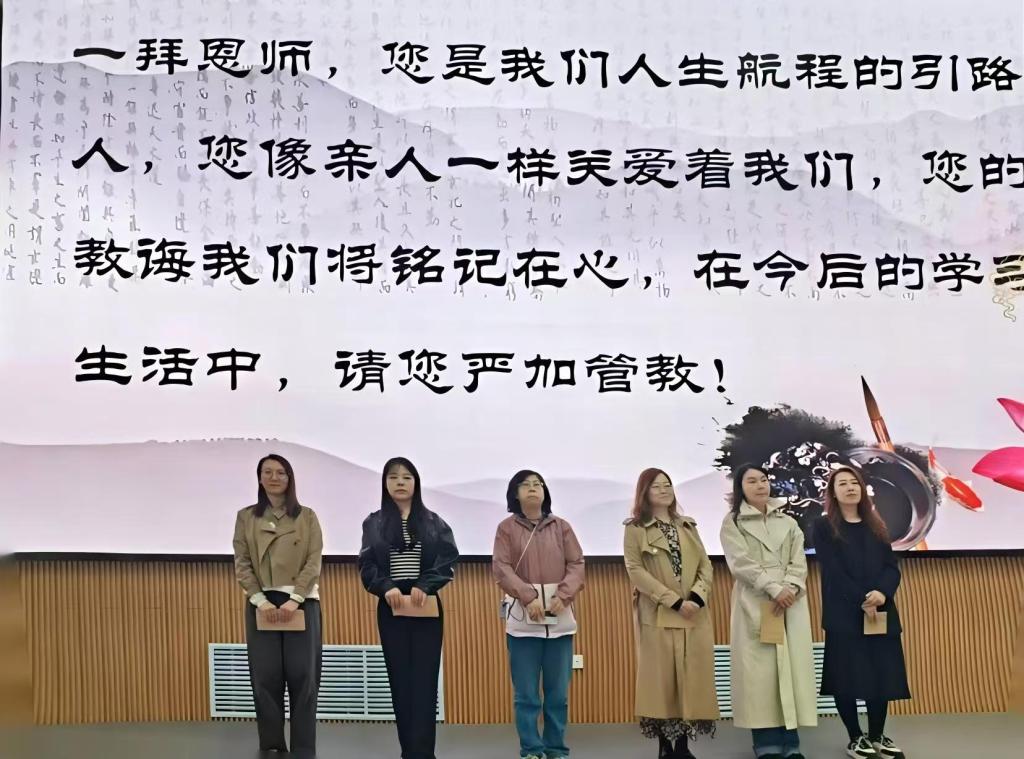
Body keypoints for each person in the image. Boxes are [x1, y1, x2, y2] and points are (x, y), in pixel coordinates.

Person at [358, 457, 459, 759]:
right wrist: (385, 586)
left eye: (406, 477)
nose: (400, 482)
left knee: (425, 683)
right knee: (400, 682)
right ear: (385, 484)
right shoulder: (373, 523)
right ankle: (408, 752)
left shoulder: (433, 522)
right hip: (392, 607)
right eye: (393, 477)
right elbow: (366, 564)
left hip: (425, 605)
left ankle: (425, 753)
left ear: (416, 483)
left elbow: (448, 558)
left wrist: (425, 585)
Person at [719, 464, 817, 759]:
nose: (760, 485)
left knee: (791, 671)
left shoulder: (788, 521)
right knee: (760, 676)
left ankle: (791, 741)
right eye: (752, 481)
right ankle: (765, 742)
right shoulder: (733, 522)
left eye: (763, 479)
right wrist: (773, 588)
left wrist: (791, 587)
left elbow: (799, 560)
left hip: (790, 602)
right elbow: (740, 563)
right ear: (740, 487)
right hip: (755, 600)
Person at [813, 466, 910, 759]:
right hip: (844, 614)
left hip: (879, 611)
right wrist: (862, 598)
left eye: (854, 482)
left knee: (881, 675)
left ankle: (877, 735)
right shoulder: (823, 526)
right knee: (846, 677)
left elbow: (891, 567)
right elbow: (833, 570)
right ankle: (855, 738)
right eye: (842, 483)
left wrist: (881, 593)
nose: (850, 487)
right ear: (833, 492)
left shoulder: (875, 523)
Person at [623, 468, 719, 759]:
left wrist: (697, 598)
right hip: (659, 613)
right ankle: (665, 746)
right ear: (644, 492)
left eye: (667, 485)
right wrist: (674, 601)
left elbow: (705, 565)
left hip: (694, 613)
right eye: (656, 486)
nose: (664, 490)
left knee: (691, 679)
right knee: (662, 682)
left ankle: (683, 747)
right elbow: (635, 570)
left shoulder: (687, 525)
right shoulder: (635, 528)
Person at [232, 454, 323, 758]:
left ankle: (303, 749)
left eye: (281, 472)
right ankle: (271, 746)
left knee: (304, 678)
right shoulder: (246, 517)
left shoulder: (307, 516)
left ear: (289, 478)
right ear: (259, 478)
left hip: (302, 603)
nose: (274, 477)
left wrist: (296, 599)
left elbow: (313, 561)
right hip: (262, 604)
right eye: (267, 472)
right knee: (265, 678)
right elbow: (242, 563)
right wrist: (260, 600)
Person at [492, 470, 585, 759]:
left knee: (558, 695)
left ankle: (556, 749)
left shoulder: (562, 527)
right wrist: (528, 596)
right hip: (523, 624)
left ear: (545, 492)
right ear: (515, 493)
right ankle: (531, 749)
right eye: (526, 485)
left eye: (538, 484)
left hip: (560, 622)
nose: (533, 488)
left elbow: (577, 564)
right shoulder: (506, 528)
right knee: (526, 696)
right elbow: (501, 567)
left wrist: (563, 596)